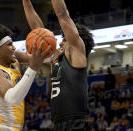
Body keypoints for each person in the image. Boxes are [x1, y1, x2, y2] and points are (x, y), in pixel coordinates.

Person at [22, 0, 94, 130]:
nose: (60, 43)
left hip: (76, 123)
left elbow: (62, 15)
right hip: (59, 124)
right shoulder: (56, 58)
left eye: (64, 40)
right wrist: (26, 2)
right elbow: (38, 31)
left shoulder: (77, 53)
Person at [0, 24, 51, 131]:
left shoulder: (13, 58)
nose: (14, 47)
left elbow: (40, 58)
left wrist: (50, 47)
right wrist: (33, 68)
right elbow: (13, 99)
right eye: (9, 45)